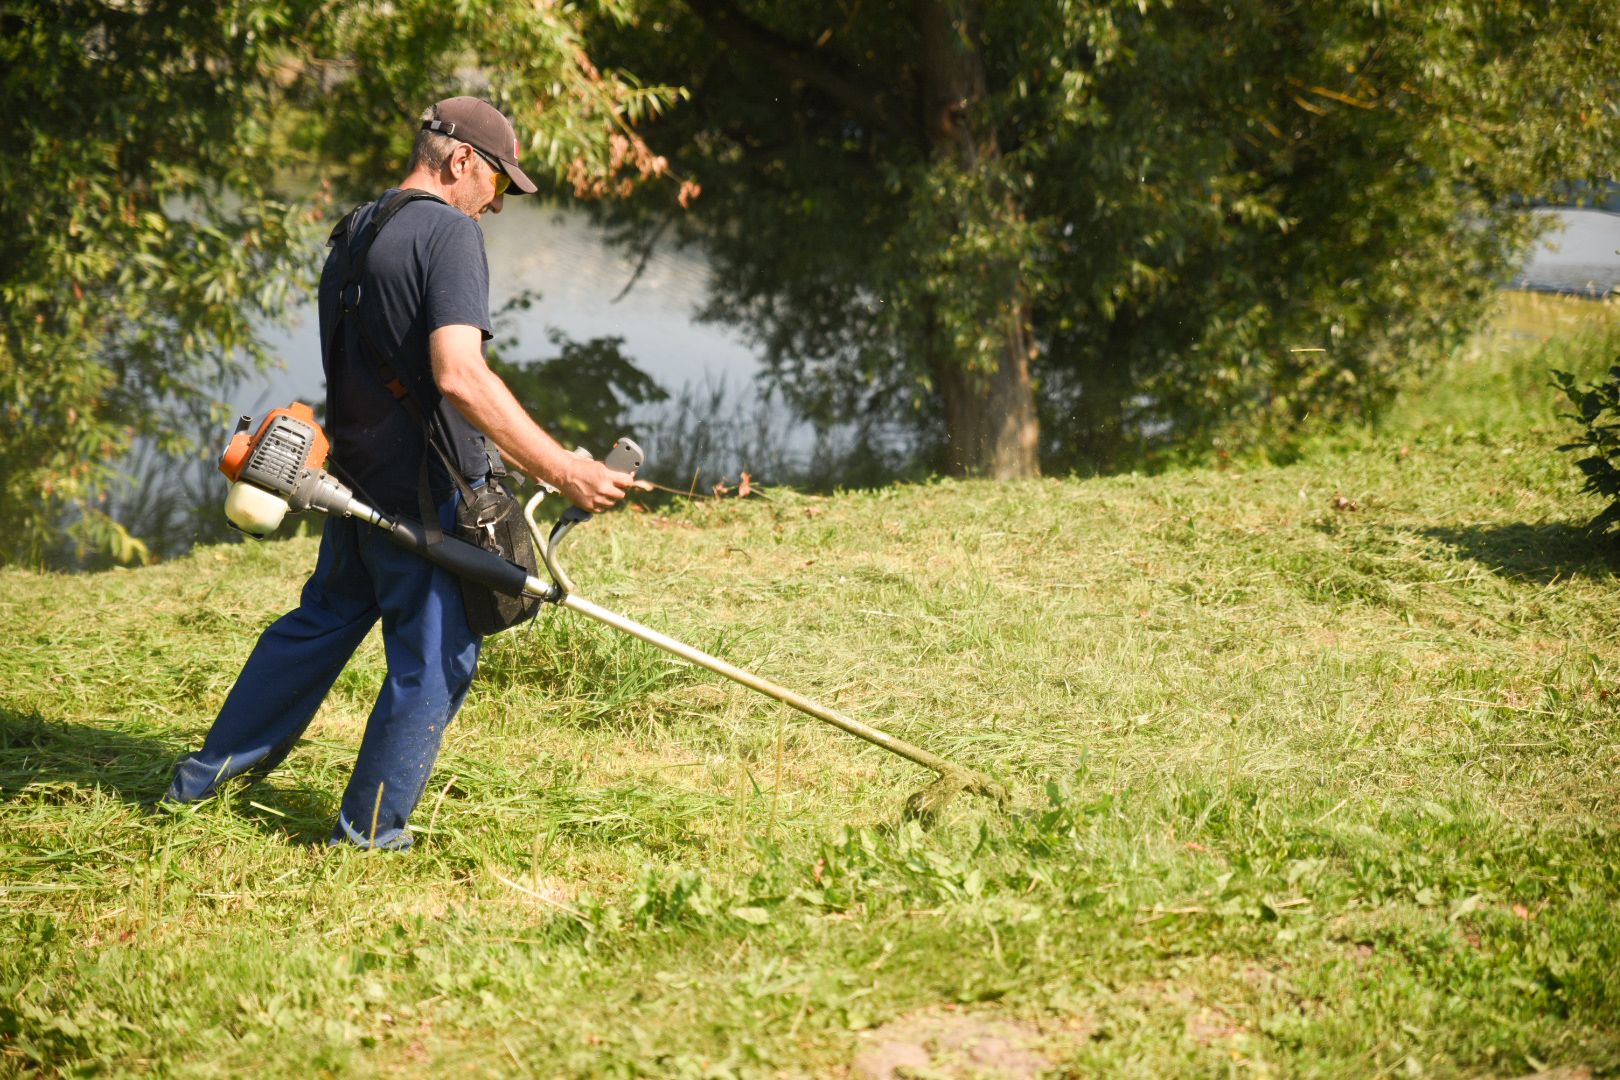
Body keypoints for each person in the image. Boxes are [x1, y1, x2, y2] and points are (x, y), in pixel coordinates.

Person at [166, 97, 633, 849]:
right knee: (434, 663)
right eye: (499, 186)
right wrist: (561, 469)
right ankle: (368, 835)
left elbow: (404, 374)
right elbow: (457, 375)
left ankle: (199, 783)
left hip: (351, 484)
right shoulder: (448, 233)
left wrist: (540, 454)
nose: (498, 206)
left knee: (313, 630)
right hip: (424, 500)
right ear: (461, 162)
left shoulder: (359, 228)